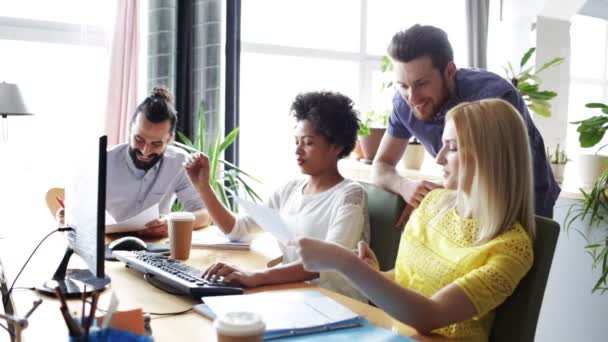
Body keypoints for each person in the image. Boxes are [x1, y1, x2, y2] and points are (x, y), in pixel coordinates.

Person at [297, 99, 535, 341]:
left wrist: (346, 262)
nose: (439, 158)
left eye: (452, 147)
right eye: (442, 146)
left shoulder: (511, 248)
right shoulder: (432, 203)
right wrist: (373, 274)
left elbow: (429, 316)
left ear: (490, 156)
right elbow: (406, 281)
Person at [184, 91, 369, 301]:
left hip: (335, 303)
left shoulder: (350, 195)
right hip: (293, 294)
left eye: (308, 143)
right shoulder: (289, 190)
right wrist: (203, 187)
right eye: (296, 141)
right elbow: (238, 231)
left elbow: (329, 261)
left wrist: (256, 276)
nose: (298, 151)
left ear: (336, 146)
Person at [372, 24, 559, 219]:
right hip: (463, 201)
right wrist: (408, 189)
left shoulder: (495, 98)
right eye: (403, 86)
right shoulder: (404, 104)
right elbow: (381, 167)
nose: (413, 98)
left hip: (523, 202)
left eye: (421, 84)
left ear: (450, 71)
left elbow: (497, 179)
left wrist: (436, 199)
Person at [105, 86, 210, 237]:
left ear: (170, 139)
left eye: (156, 144)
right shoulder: (104, 161)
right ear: (130, 129)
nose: (145, 151)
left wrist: (172, 223)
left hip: (155, 248)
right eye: (139, 139)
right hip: (110, 245)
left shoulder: (179, 162)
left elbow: (204, 214)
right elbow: (79, 213)